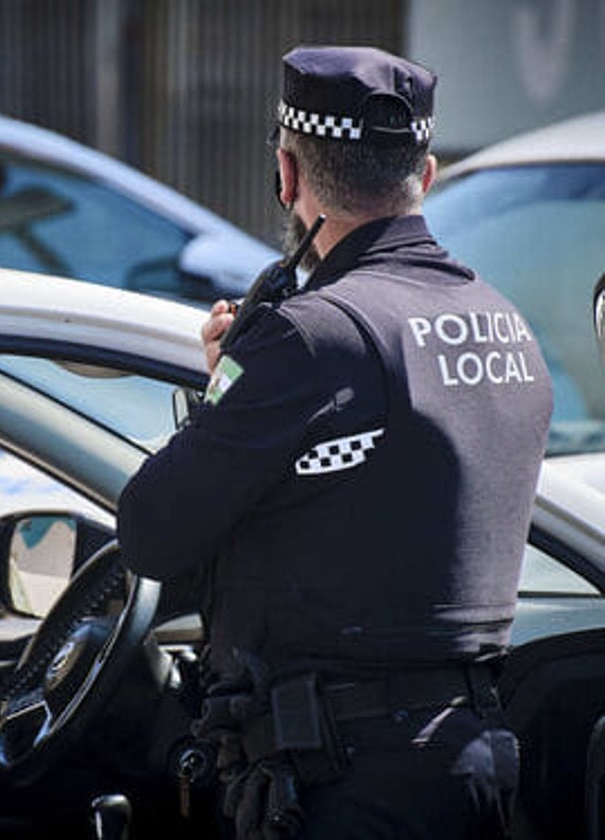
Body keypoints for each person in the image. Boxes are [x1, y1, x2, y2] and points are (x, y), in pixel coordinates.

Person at [118, 45, 553, 838]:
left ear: (287, 176)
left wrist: (225, 382)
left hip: (343, 777)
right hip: (478, 760)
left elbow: (153, 532)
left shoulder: (308, 339)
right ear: (423, 177)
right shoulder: (505, 324)